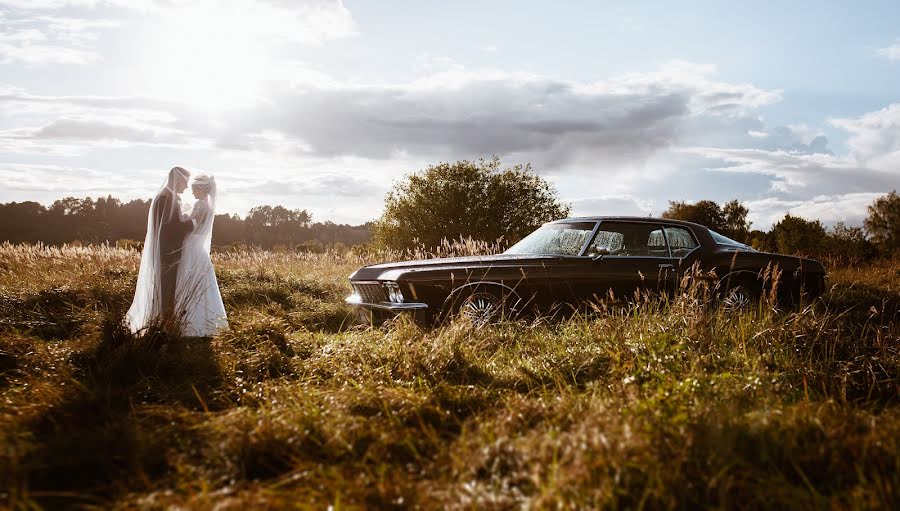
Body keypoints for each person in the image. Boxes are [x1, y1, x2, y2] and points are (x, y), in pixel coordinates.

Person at [126, 166, 195, 333]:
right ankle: (163, 327)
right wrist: (192, 223)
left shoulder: (168, 197)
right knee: (166, 289)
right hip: (167, 253)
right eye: (185, 183)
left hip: (168, 252)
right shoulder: (166, 199)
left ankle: (165, 325)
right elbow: (170, 228)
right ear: (178, 180)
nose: (186, 187)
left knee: (168, 289)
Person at [174, 174, 228, 337]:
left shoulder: (200, 204)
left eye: (193, 189)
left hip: (191, 245)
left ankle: (190, 324)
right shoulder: (207, 206)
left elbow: (188, 223)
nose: (192, 192)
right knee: (203, 283)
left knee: (187, 280)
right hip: (198, 247)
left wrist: (180, 212)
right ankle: (208, 322)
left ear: (201, 190)